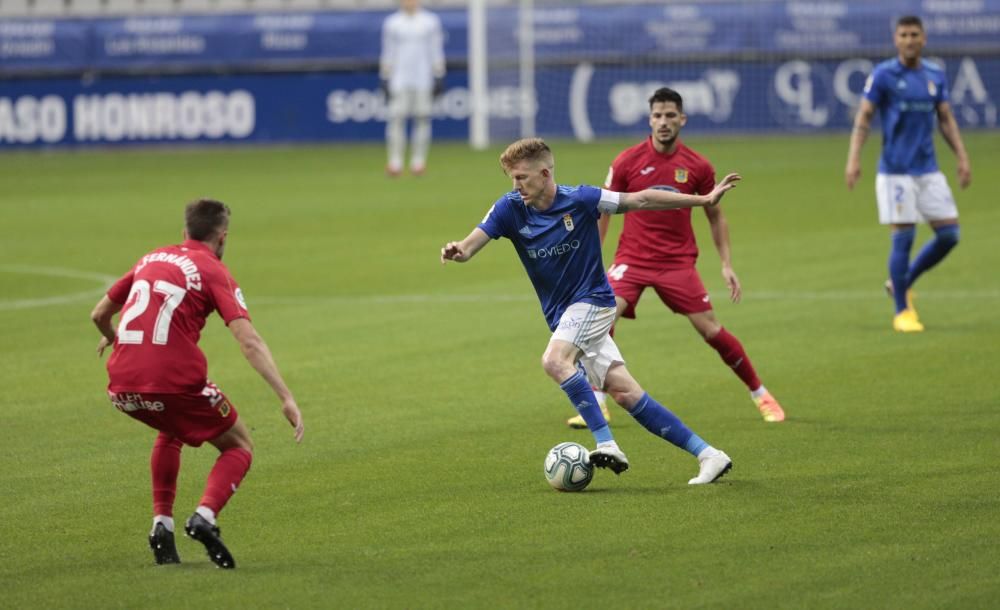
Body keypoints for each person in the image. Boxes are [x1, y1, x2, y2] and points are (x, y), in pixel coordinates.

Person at [441, 137, 739, 485]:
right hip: (564, 316)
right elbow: (469, 246)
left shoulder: (581, 199)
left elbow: (640, 198)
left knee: (554, 361)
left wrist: (703, 199)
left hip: (594, 301)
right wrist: (456, 250)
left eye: (522, 177)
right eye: (512, 178)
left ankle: (607, 444)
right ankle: (709, 455)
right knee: (626, 393)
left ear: (545, 172)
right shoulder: (509, 208)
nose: (515, 185)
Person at [90, 199, 304, 569]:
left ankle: (162, 526)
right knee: (239, 444)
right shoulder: (213, 269)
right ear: (222, 237)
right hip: (173, 383)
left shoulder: (151, 258)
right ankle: (205, 516)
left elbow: (98, 314)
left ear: (184, 232)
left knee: (171, 428)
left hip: (121, 386)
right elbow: (248, 340)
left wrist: (114, 336)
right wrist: (285, 396)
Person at [567, 87, 784, 429]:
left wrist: (726, 264)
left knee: (711, 330)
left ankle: (761, 394)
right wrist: (593, 260)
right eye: (657, 116)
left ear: (682, 119)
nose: (663, 122)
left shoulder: (698, 166)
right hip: (632, 259)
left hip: (677, 263)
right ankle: (597, 400)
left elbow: (716, 216)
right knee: (601, 321)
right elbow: (603, 210)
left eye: (670, 116)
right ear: (649, 119)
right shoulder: (627, 161)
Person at [845, 15, 971, 332]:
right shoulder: (885, 74)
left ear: (924, 38)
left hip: (927, 169)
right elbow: (864, 117)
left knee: (949, 234)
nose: (910, 39)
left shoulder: (934, 75)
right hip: (895, 172)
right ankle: (902, 311)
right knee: (905, 236)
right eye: (904, 34)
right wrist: (854, 158)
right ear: (896, 39)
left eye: (915, 34)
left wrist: (962, 156)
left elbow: (945, 118)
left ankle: (903, 281)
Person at [380, 0, 446, 177]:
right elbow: (388, 51)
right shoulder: (392, 23)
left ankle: (418, 162)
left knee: (423, 119)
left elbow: (436, 49)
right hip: (399, 79)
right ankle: (395, 163)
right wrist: (385, 76)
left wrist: (438, 73)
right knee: (396, 119)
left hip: (423, 78)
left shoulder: (430, 21)